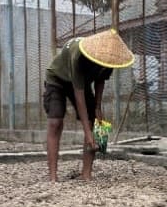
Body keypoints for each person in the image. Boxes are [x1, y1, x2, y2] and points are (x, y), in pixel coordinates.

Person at [44, 28, 134, 182]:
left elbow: (100, 81)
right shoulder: (78, 56)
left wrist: (97, 108)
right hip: (57, 78)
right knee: (55, 122)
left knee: (95, 122)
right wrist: (87, 132)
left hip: (82, 83)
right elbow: (79, 96)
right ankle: (53, 176)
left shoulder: (109, 59)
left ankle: (86, 175)